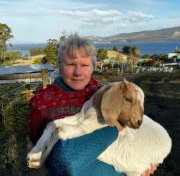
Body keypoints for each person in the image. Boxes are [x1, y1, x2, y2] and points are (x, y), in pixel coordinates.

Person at [28, 34, 157, 176]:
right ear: (60, 65)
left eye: (84, 65)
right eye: (70, 64)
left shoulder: (106, 96)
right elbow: (66, 162)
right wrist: (118, 126)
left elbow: (134, 137)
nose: (78, 72)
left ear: (93, 67)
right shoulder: (43, 102)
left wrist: (144, 161)